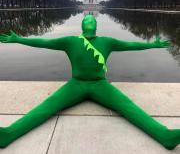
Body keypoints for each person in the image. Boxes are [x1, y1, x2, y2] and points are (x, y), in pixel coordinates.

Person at [0, 14, 179, 150]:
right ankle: (9, 133)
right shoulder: (70, 41)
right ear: (82, 24)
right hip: (76, 84)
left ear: (97, 25)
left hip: (100, 84)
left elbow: (131, 46)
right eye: (87, 19)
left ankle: (164, 135)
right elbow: (44, 42)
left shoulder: (107, 41)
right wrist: (19, 39)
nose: (90, 21)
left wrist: (152, 45)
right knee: (47, 106)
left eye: (93, 19)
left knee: (128, 106)